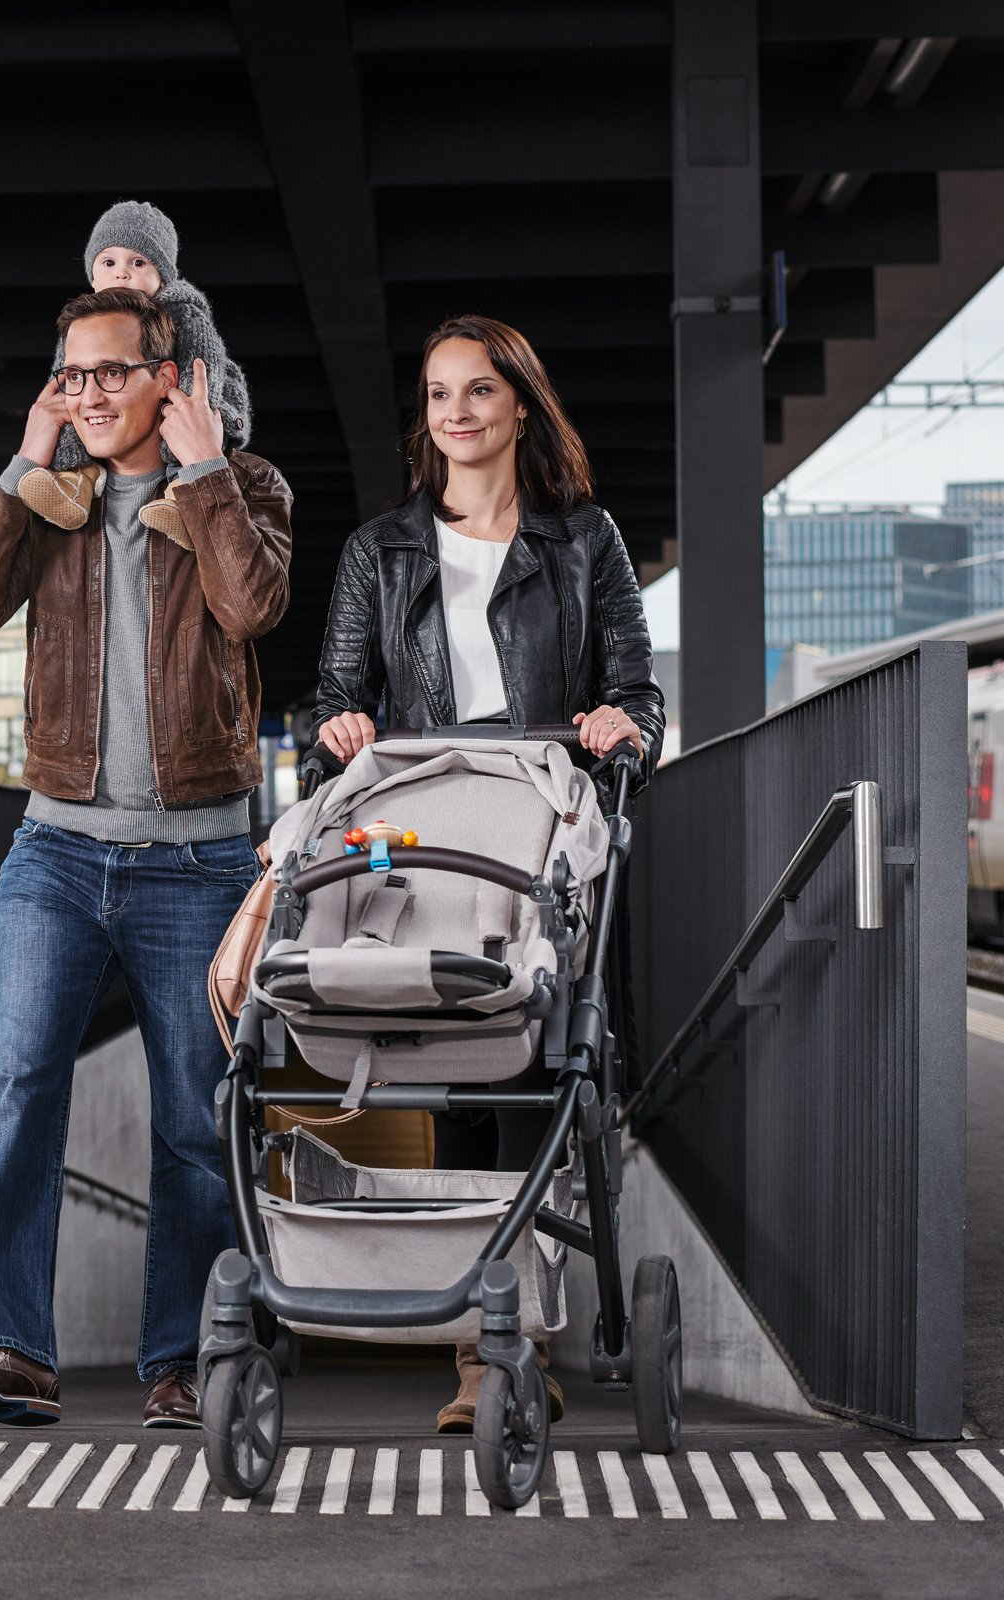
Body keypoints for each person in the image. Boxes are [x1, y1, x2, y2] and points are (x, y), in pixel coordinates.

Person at [0, 285, 293, 1429]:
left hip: (201, 863)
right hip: (58, 852)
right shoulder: (53, 500)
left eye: (109, 374)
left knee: (193, 1117)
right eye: (69, 375)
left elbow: (254, 603)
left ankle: (184, 1363)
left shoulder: (247, 485)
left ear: (166, 379)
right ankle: (7, 1348)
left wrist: (206, 470)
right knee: (21, 1083)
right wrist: (17, 473)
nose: (85, 395)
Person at [310, 313, 663, 1433]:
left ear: (519, 404)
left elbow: (637, 695)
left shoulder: (583, 541)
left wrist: (620, 726)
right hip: (431, 832)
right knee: (460, 1059)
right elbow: (334, 699)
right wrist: (344, 725)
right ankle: (487, 1344)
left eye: (476, 392)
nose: (454, 413)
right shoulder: (382, 551)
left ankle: (512, 1342)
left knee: (535, 1063)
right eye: (436, 394)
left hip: (542, 825)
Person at [14, 199, 255, 544]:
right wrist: (34, 452)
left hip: (198, 403)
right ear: (93, 276)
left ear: (163, 276)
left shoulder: (184, 315)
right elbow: (64, 383)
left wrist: (195, 442)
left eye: (138, 262)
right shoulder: (79, 327)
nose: (121, 273)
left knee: (182, 428)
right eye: (108, 262)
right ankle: (73, 484)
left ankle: (183, 497)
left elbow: (202, 369)